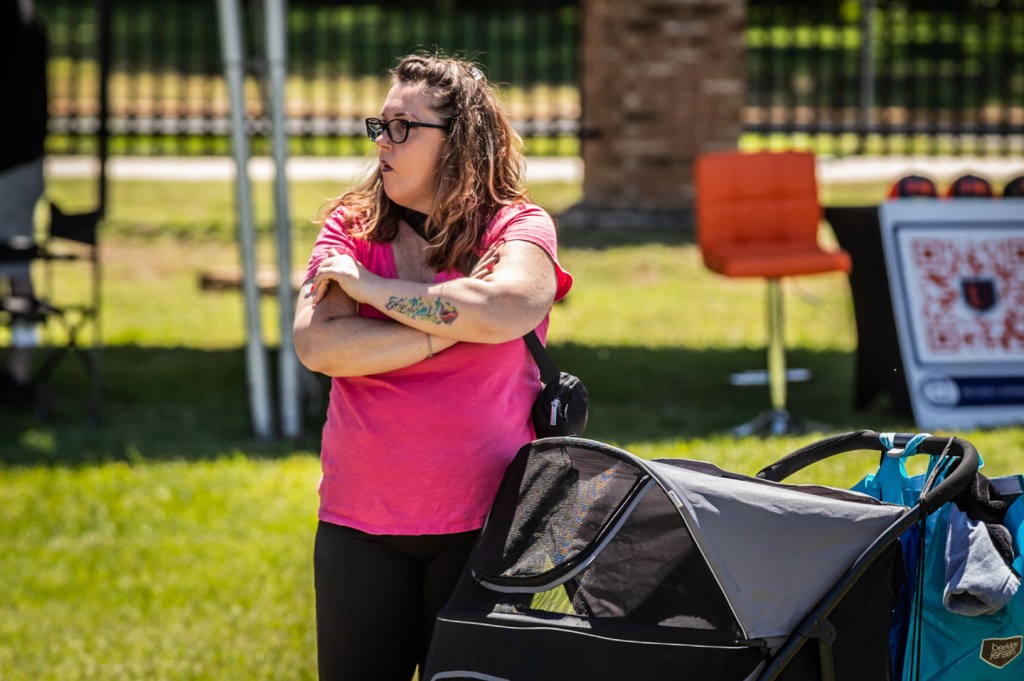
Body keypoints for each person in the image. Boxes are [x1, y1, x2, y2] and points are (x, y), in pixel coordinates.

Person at [292, 53, 573, 681]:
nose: (382, 142)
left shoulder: (517, 226)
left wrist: (370, 291)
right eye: (380, 125)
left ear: (459, 141)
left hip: (488, 523)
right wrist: (448, 327)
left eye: (403, 127)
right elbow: (320, 346)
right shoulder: (351, 225)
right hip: (359, 525)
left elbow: (508, 307)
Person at [0, 0, 48, 407]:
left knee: (16, 266)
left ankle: (19, 371)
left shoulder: (21, 26)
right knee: (18, 268)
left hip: (13, 163)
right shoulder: (29, 23)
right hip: (22, 160)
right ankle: (18, 367)